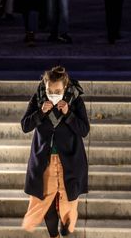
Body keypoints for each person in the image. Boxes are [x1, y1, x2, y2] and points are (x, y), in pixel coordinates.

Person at [21, 66, 89, 238]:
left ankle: (65, 228)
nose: (53, 94)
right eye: (50, 91)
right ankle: (54, 236)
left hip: (70, 161)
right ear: (45, 86)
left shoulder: (75, 100)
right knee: (46, 203)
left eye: (57, 91)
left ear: (65, 87)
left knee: (68, 205)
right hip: (44, 161)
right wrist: (40, 113)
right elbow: (25, 125)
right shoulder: (38, 98)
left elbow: (84, 130)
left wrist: (68, 114)